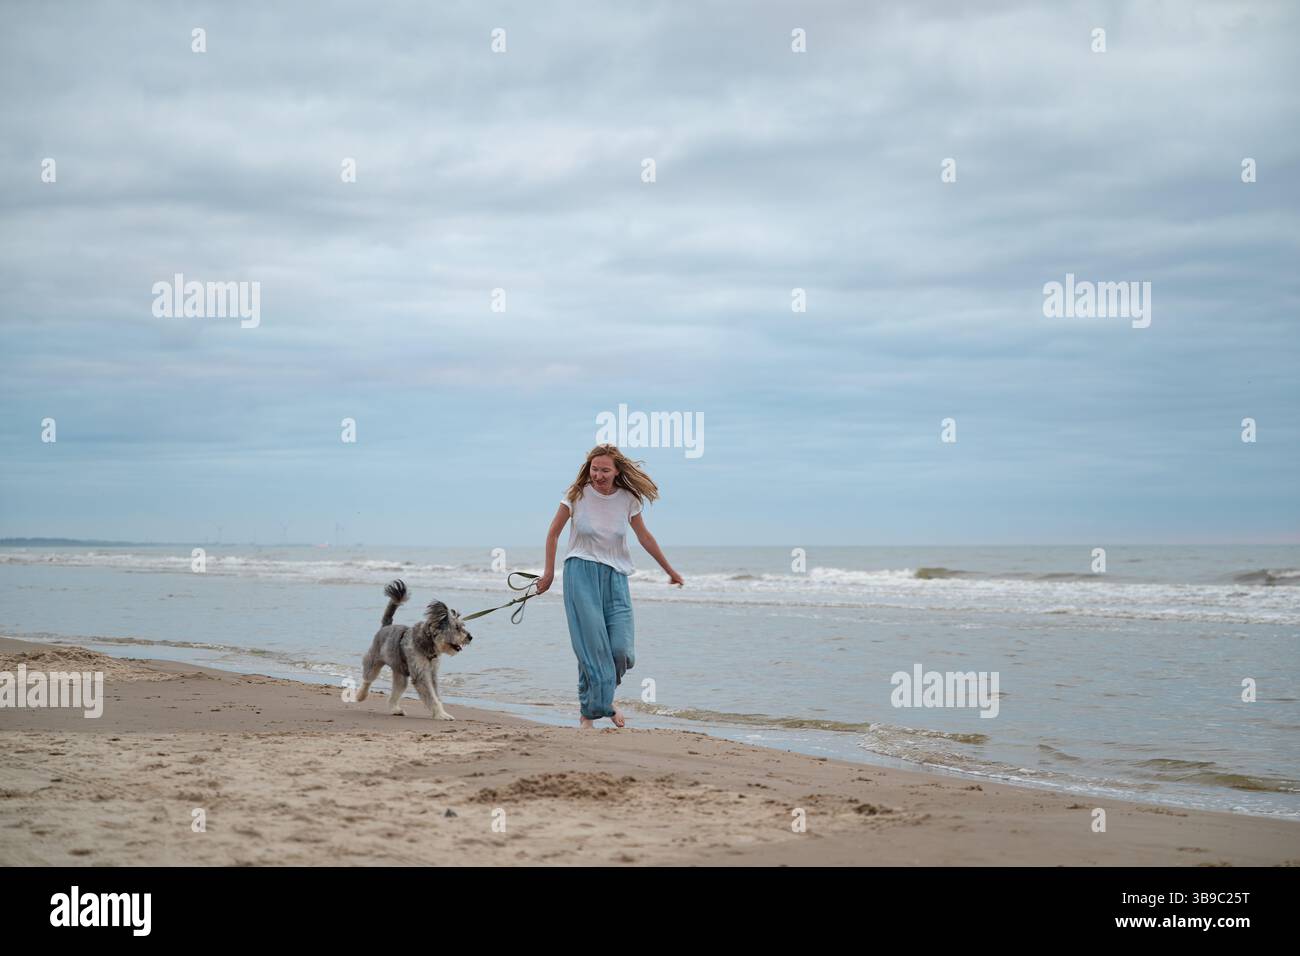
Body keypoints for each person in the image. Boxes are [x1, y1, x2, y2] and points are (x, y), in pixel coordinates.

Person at [535, 444, 683, 728]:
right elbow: (553, 534)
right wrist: (549, 573)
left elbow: (645, 538)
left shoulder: (628, 499)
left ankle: (597, 701)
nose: (598, 475)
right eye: (594, 469)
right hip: (580, 573)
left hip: (617, 578)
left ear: (617, 471)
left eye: (605, 470)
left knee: (621, 652)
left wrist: (670, 571)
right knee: (593, 649)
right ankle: (595, 709)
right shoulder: (576, 495)